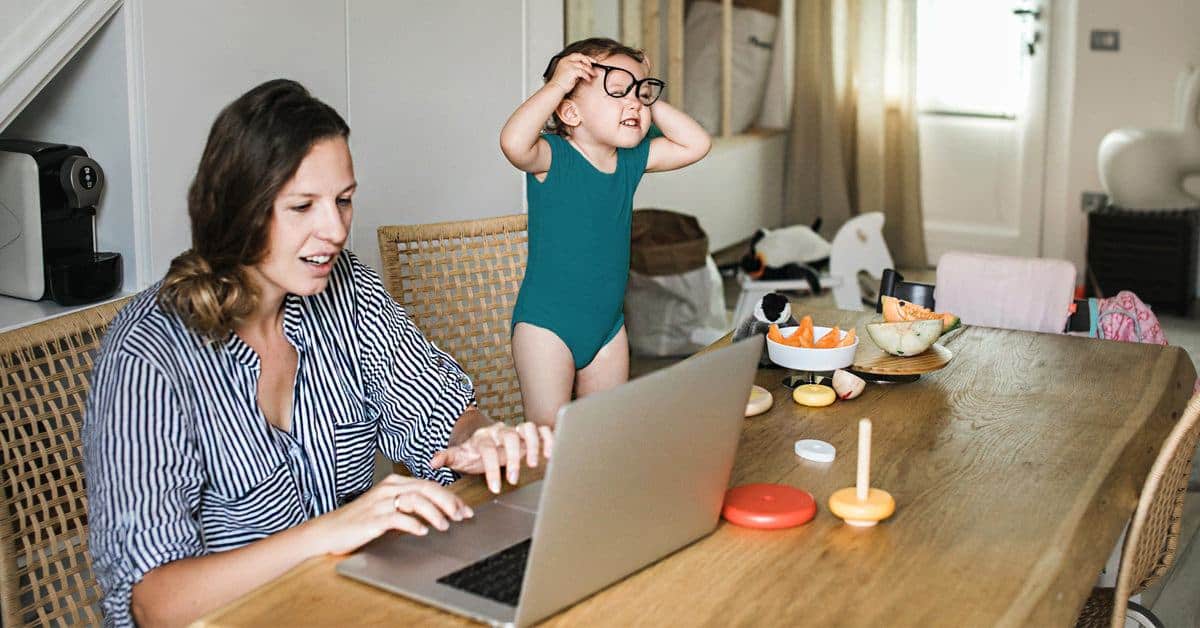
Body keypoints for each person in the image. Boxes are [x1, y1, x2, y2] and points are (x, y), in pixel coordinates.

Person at [83, 79, 553, 627]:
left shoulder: (347, 288)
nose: (334, 230)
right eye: (302, 206)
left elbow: (442, 417)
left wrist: (479, 440)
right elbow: (155, 604)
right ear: (237, 210)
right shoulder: (147, 356)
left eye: (344, 200)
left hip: (345, 606)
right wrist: (331, 531)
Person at [499, 37, 711, 427]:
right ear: (571, 113)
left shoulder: (630, 160)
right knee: (547, 436)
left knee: (603, 429)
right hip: (547, 328)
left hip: (608, 327)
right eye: (616, 91)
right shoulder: (552, 156)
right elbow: (513, 143)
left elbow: (696, 143)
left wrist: (643, 91)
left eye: (640, 94)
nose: (633, 103)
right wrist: (556, 86)